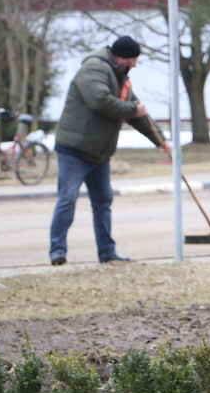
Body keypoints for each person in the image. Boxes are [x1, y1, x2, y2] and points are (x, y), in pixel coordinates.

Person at [49, 35, 170, 266]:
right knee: (67, 200)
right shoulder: (94, 69)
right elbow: (100, 101)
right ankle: (57, 251)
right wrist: (133, 110)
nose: (134, 65)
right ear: (120, 57)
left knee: (103, 203)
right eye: (133, 60)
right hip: (74, 150)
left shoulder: (121, 78)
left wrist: (161, 141)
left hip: (100, 154)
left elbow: (138, 114)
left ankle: (107, 253)